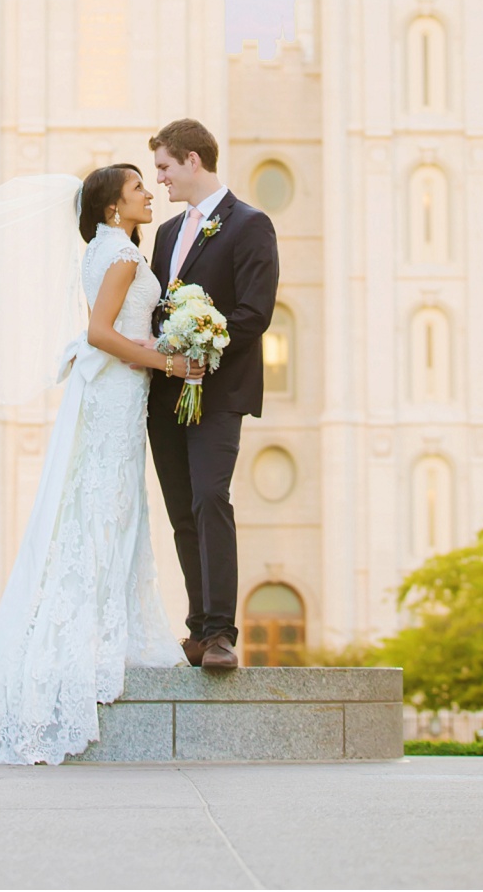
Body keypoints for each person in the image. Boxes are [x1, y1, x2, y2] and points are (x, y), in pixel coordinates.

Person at [0, 163, 193, 765]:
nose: (148, 195)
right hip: (117, 393)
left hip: (110, 395)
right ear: (112, 208)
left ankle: (101, 626)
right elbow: (100, 333)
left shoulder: (104, 250)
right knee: (106, 507)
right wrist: (167, 363)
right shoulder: (123, 256)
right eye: (137, 190)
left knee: (98, 509)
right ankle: (87, 640)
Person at [147, 119, 280, 670]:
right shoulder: (166, 233)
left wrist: (205, 344)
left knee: (210, 499)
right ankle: (198, 629)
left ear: (193, 161)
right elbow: (157, 308)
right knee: (181, 512)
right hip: (165, 397)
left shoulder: (250, 225)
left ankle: (223, 632)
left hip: (220, 392)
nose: (160, 181)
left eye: (165, 168)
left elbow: (256, 312)